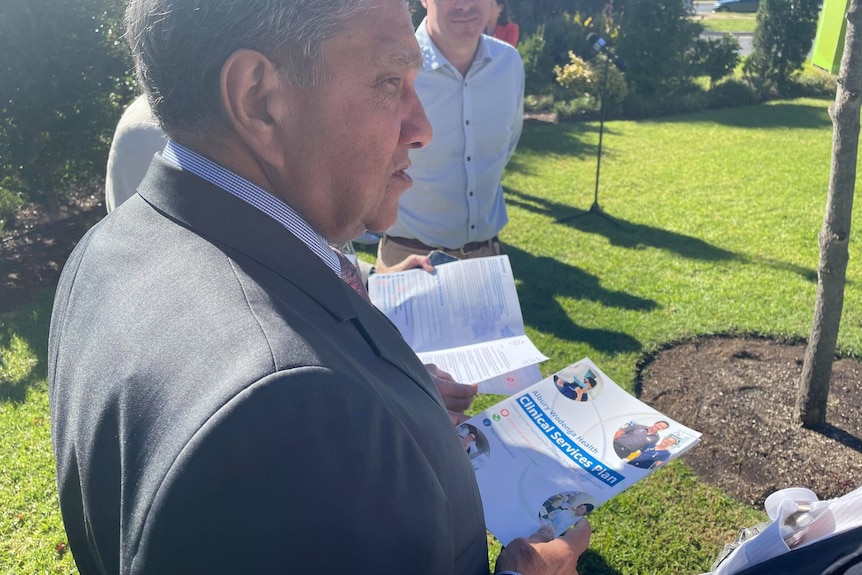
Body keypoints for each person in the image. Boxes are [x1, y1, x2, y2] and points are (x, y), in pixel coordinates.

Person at [48, 0, 590, 573]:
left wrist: (390, 393)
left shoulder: (107, 249)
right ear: (259, 99)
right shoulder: (295, 411)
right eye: (389, 81)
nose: (421, 127)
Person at [104, 96, 432, 281]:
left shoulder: (275, 103)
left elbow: (298, 246)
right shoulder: (149, 136)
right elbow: (202, 279)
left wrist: (375, 276)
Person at [376, 0, 524, 268]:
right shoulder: (390, 68)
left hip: (487, 259)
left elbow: (507, 146)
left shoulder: (509, 64)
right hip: (408, 261)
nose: (465, 5)